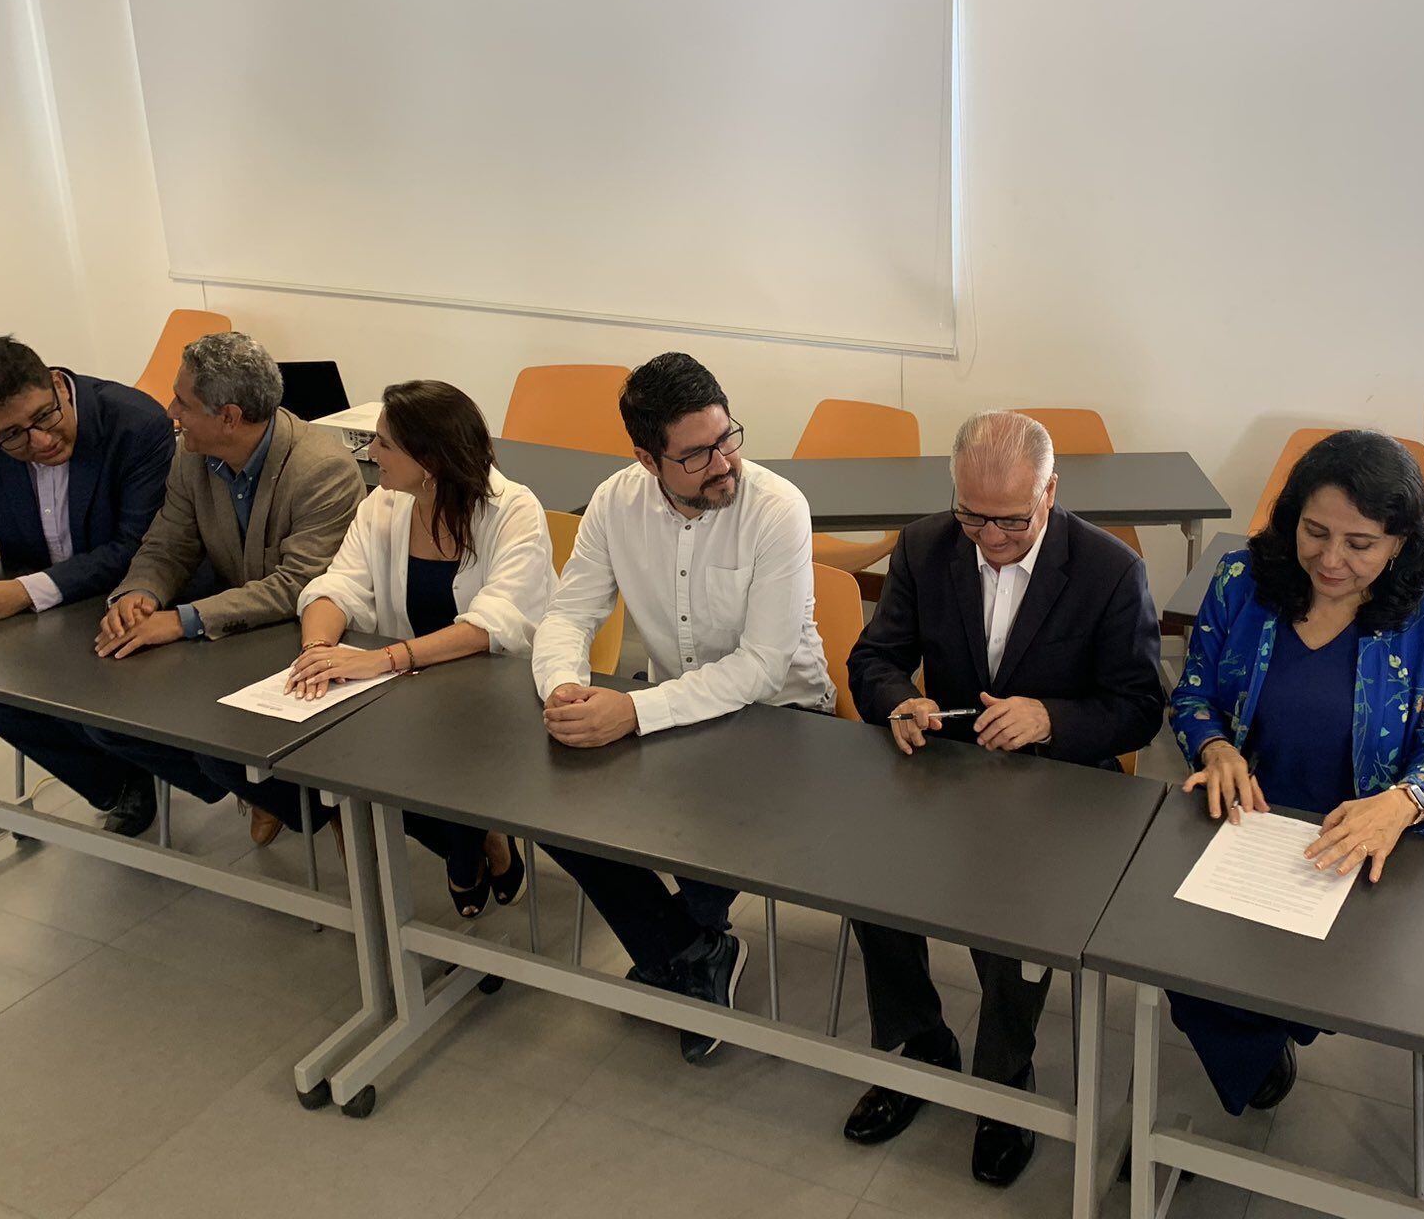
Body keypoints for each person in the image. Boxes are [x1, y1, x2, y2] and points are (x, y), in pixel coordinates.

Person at [840, 409, 1165, 1187]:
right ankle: (919, 1049)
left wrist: (1052, 717)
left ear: (1050, 493)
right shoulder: (925, 545)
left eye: (1009, 521)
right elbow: (874, 656)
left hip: (1061, 789)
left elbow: (1140, 706)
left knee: (1012, 929)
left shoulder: (1109, 570)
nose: (987, 538)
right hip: (951, 770)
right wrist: (896, 702)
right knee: (870, 887)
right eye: (971, 516)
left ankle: (1002, 1087)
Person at [531, 351, 832, 1062]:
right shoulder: (614, 502)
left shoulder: (776, 508)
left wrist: (631, 714)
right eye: (696, 454)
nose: (724, 462)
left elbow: (761, 668)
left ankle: (685, 945)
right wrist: (564, 689)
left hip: (783, 721)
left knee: (708, 819)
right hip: (676, 710)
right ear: (646, 458)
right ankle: (692, 950)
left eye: (728, 438)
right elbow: (567, 615)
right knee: (552, 805)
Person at [1169, 429, 1424, 1116]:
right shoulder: (1242, 582)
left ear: (1400, 542)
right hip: (1248, 827)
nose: (1330, 560)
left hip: (1363, 851)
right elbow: (1192, 696)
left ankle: (1260, 1048)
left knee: (1323, 982)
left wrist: (1401, 803)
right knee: (1183, 972)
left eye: (1359, 544)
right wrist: (1215, 748)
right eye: (1315, 532)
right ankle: (1257, 1058)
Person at [269, 380, 556, 914]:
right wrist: (317, 649)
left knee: (429, 759)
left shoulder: (513, 509)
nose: (369, 454)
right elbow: (339, 585)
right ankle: (475, 839)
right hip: (412, 688)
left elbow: (494, 624)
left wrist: (381, 659)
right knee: (347, 762)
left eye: (382, 444)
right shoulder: (384, 503)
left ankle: (469, 838)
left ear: (429, 460)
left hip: (498, 691)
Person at [83, 332, 363, 827]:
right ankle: (265, 792)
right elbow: (169, 541)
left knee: (215, 749)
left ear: (228, 417)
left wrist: (181, 621)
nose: (170, 410)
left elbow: (295, 585)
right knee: (107, 719)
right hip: (233, 630)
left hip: (307, 636)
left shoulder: (322, 469)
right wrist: (140, 594)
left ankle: (298, 803)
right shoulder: (191, 454)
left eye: (184, 403)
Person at [0, 336, 176, 835]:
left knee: (90, 703)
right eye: (13, 437)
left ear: (57, 385)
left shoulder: (136, 424)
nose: (41, 441)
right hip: (44, 614)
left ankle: (150, 770)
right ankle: (119, 786)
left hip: (128, 600)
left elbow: (137, 548)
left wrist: (20, 592)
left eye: (45, 417)